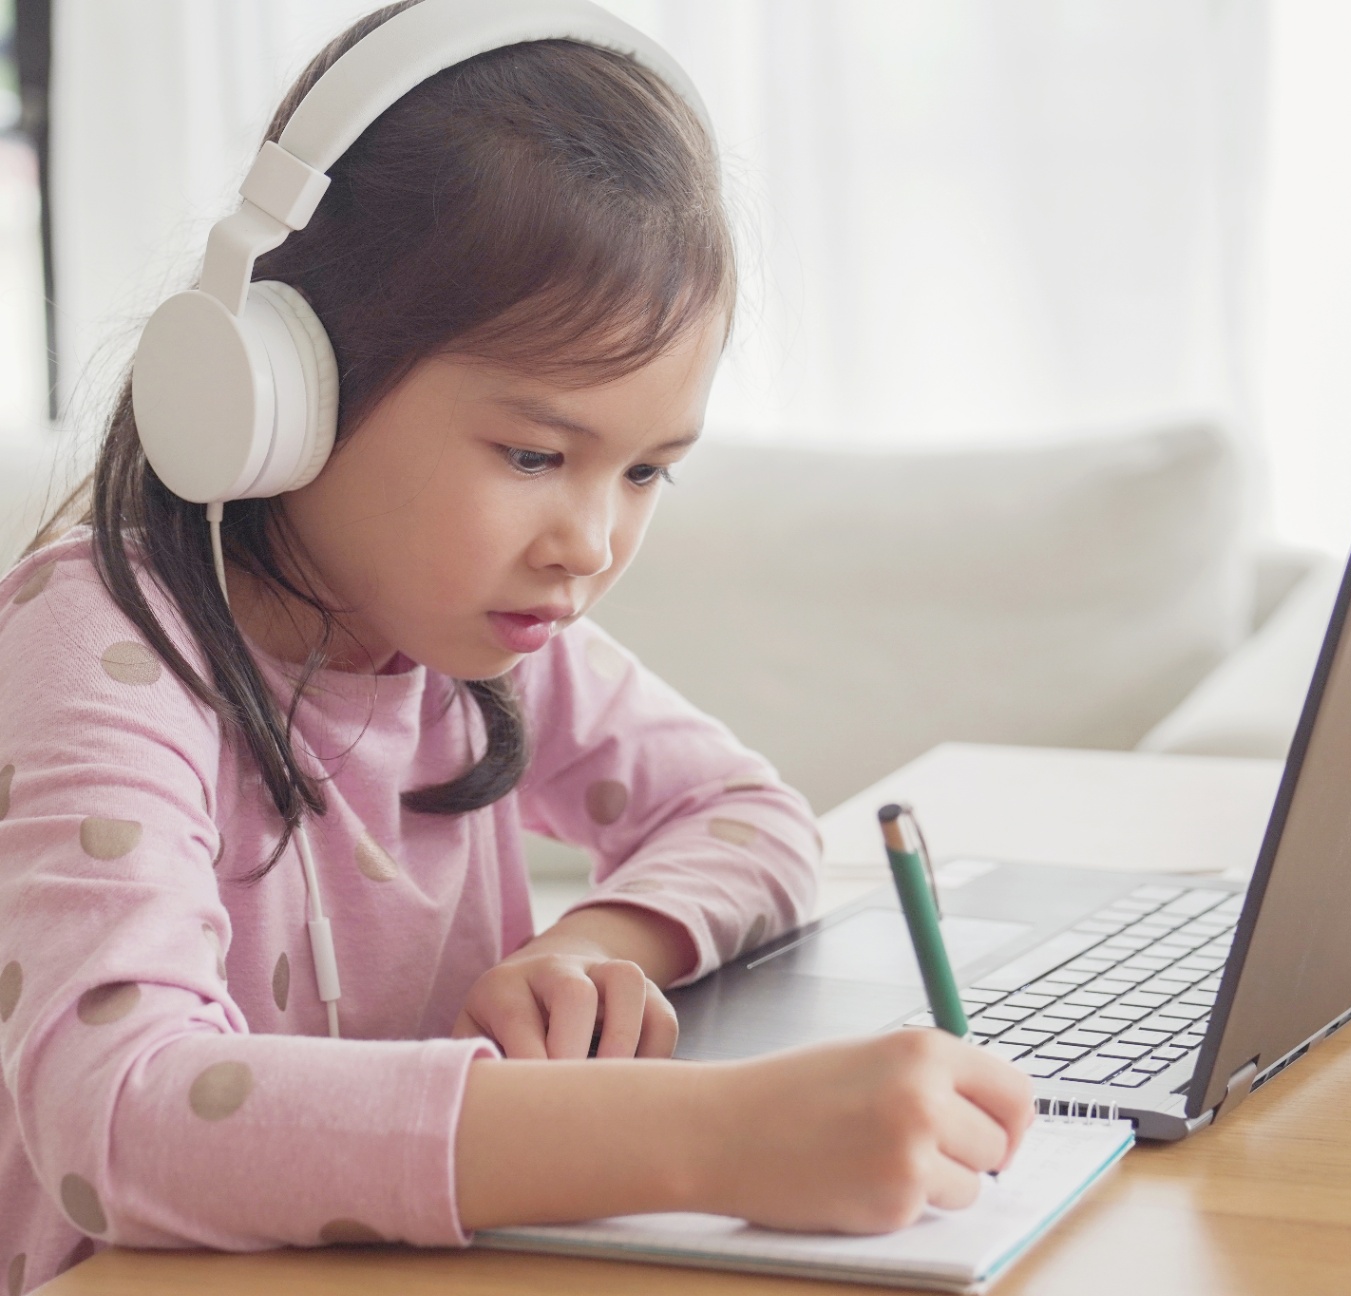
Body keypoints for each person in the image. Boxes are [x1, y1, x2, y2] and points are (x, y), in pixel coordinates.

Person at [0, 3, 1033, 1288]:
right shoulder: (104, 647)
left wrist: (588, 951)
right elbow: (123, 1113)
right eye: (536, 455)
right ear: (285, 386)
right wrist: (714, 1138)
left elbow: (747, 815)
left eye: (649, 471)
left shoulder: (476, 644)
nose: (589, 543)